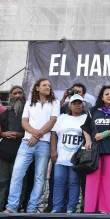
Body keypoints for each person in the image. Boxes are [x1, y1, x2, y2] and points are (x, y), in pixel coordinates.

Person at [4, 78, 60, 213]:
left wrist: (37, 136)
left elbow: (53, 122)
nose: (48, 87)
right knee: (17, 174)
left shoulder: (55, 102)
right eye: (44, 85)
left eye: (49, 85)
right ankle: (12, 206)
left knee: (40, 177)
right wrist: (35, 134)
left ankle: (32, 207)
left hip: (44, 144)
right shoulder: (29, 103)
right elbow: (24, 122)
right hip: (26, 143)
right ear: (37, 88)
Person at [81, 86, 110, 214]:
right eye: (106, 94)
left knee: (109, 180)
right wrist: (88, 140)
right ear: (101, 97)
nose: (109, 96)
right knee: (92, 179)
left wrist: (105, 133)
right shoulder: (93, 110)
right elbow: (85, 128)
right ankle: (90, 210)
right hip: (95, 150)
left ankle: (106, 210)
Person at [50, 94, 87, 213]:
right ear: (70, 106)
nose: (77, 105)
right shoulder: (62, 118)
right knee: (59, 182)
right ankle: (57, 208)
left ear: (82, 105)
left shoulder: (86, 118)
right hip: (61, 157)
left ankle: (71, 208)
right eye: (74, 103)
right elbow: (54, 134)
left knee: (73, 183)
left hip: (76, 159)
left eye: (79, 103)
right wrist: (53, 151)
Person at [0, 86, 26, 210]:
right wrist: (3, 134)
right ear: (10, 95)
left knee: (19, 180)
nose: (17, 95)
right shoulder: (5, 113)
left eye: (20, 93)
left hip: (23, 150)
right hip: (5, 150)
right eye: (14, 93)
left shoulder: (29, 111)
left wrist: (19, 134)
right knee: (3, 180)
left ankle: (17, 206)